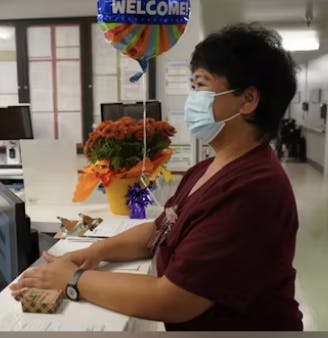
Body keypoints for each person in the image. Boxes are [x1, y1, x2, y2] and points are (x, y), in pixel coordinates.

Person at [10, 23, 303, 331]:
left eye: (201, 86)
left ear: (248, 100)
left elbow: (173, 299)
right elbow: (159, 229)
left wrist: (73, 279)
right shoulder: (208, 169)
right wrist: (93, 253)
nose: (192, 99)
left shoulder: (253, 189)